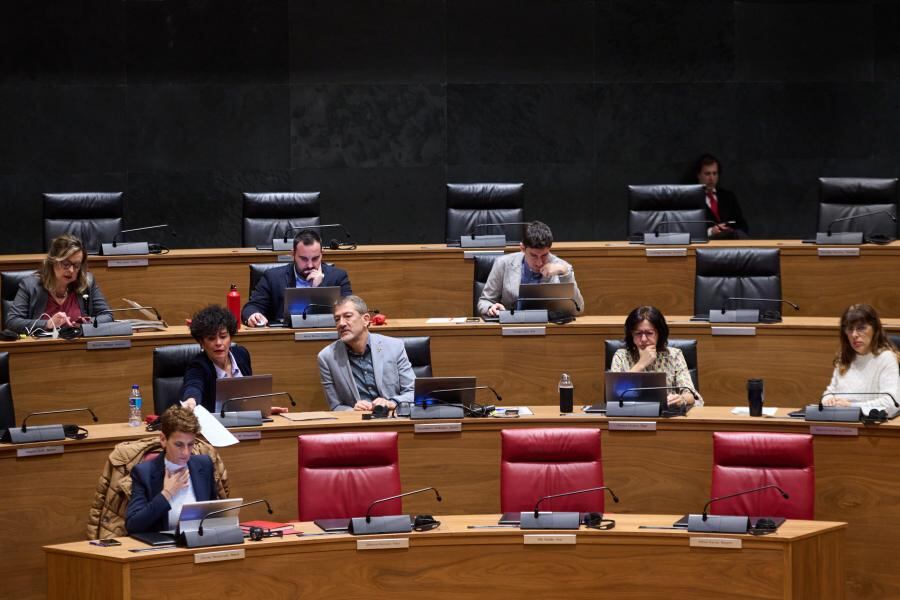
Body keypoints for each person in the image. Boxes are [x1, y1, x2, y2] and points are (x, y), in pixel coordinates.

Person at [125, 406, 218, 534]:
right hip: (163, 548)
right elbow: (133, 525)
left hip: (199, 543)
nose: (186, 453)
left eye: (190, 444)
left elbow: (215, 514)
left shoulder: (204, 465)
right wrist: (167, 493)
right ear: (163, 439)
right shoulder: (143, 473)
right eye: (179, 444)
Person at [318, 295, 414, 412]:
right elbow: (335, 406)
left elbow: (413, 392)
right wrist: (352, 411)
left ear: (366, 319)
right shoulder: (327, 357)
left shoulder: (394, 346)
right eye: (337, 319)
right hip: (357, 423)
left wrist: (392, 402)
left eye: (347, 316)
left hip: (392, 417)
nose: (341, 324)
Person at [241, 229, 352, 327]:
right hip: (285, 340)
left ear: (322, 254)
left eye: (315, 258)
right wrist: (253, 315)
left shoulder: (338, 277)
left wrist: (318, 287)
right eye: (304, 259)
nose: (310, 265)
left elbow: (350, 310)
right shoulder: (273, 277)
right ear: (293, 254)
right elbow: (251, 308)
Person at [6, 234, 112, 334]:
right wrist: (47, 324)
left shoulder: (87, 282)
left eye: (76, 265)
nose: (71, 270)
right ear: (53, 261)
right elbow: (12, 322)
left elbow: (107, 315)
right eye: (66, 264)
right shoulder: (30, 285)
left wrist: (88, 323)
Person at [477, 221, 584, 318]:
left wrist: (565, 273)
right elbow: (484, 301)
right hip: (511, 326)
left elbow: (577, 309)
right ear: (522, 249)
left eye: (544, 255)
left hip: (549, 329)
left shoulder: (562, 268)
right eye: (533, 256)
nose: (539, 262)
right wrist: (491, 308)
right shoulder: (503, 263)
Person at [610, 305, 703, 407]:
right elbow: (615, 395)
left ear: (660, 334)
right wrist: (641, 364)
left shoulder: (674, 355)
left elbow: (691, 395)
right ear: (631, 334)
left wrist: (681, 399)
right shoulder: (621, 356)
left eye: (649, 333)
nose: (644, 339)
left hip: (666, 416)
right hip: (630, 416)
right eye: (638, 333)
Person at [821, 303, 899, 413]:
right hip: (840, 422)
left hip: (869, 426)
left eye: (861, 328)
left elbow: (892, 404)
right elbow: (829, 393)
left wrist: (851, 406)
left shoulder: (886, 358)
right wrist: (829, 400)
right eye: (849, 329)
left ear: (875, 329)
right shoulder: (844, 357)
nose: (854, 335)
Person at [179, 305, 252, 412]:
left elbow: (250, 393)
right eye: (211, 338)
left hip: (247, 422)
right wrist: (191, 400)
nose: (218, 343)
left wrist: (259, 409)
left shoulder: (242, 355)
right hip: (215, 425)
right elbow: (193, 385)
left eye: (223, 336)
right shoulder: (198, 365)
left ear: (230, 337)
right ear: (201, 342)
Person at [695, 153, 749, 239]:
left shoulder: (729, 196)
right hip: (707, 247)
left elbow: (742, 225)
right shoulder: (691, 199)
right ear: (698, 175)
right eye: (707, 174)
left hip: (732, 245)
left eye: (714, 173)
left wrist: (733, 231)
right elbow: (689, 231)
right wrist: (710, 231)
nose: (711, 178)